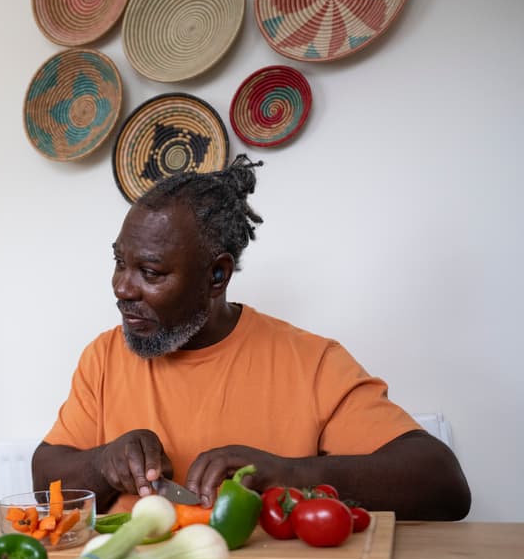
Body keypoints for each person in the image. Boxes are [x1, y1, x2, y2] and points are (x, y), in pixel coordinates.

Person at [33, 157, 470, 521]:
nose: (122, 288)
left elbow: (442, 484)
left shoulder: (311, 361)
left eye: (150, 272)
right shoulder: (104, 357)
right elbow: (44, 482)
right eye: (119, 262)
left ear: (217, 275)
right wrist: (102, 463)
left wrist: (288, 474)